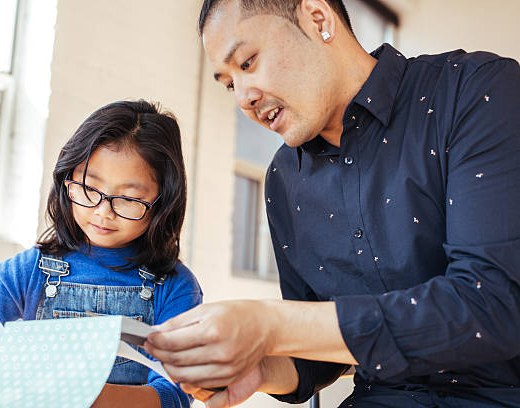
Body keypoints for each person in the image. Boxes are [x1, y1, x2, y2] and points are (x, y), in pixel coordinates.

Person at [144, 0, 520, 407]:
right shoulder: (284, 180)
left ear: (318, 19)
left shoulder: (476, 91)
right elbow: (317, 355)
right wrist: (261, 369)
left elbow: (492, 304)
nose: (243, 99)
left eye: (248, 62)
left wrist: (271, 323)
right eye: (229, 83)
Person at [0, 100, 202, 408]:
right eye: (89, 189)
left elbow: (177, 394)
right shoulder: (28, 271)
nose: (103, 212)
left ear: (164, 203)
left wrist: (86, 398)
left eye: (128, 199)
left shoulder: (175, 287)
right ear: (68, 181)